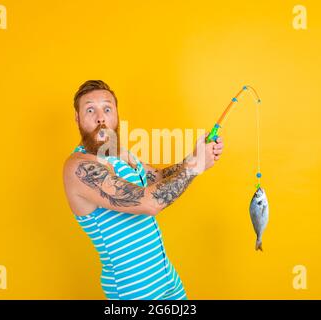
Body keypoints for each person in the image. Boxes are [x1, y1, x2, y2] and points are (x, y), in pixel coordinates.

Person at [62, 80, 224, 300]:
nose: (101, 117)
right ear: (77, 118)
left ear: (117, 115)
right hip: (133, 291)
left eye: (107, 109)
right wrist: (195, 167)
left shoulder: (121, 155)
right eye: (90, 109)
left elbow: (157, 178)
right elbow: (150, 202)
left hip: (166, 278)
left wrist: (194, 157)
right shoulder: (80, 166)